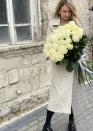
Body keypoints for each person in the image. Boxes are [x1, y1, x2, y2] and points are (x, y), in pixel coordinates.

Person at [42, 0, 90, 131]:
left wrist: (80, 56)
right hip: (59, 66)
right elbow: (48, 44)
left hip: (73, 66)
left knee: (71, 95)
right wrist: (59, 54)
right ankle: (46, 125)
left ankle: (71, 122)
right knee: (56, 95)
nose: (67, 14)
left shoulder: (77, 24)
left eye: (69, 11)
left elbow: (82, 43)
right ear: (59, 10)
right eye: (64, 11)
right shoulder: (52, 25)